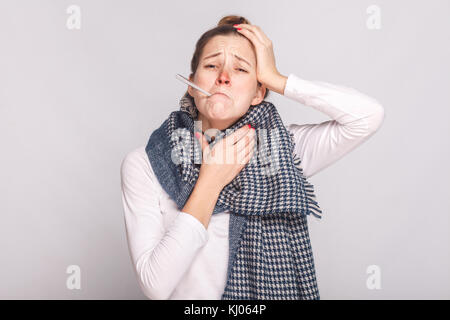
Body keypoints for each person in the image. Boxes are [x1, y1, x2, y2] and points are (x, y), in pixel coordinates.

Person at [120, 15, 385, 300]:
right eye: (211, 65)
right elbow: (154, 286)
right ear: (191, 83)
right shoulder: (146, 163)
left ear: (259, 92)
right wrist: (210, 180)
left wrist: (278, 80)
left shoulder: (282, 151)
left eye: (241, 69)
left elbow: (368, 116)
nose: (223, 76)